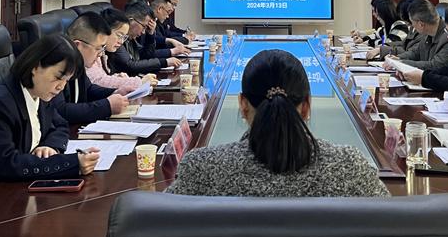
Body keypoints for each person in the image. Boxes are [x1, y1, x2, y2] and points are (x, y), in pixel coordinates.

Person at [166, 49, 390, 197]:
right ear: (307, 106)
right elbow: (392, 228)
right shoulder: (350, 168)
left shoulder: (201, 168)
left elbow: (158, 230)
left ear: (242, 105)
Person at [0, 34, 100, 201]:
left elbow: (60, 125)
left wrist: (50, 146)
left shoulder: (39, 93)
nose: (61, 87)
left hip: (15, 190)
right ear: (35, 67)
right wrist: (72, 163)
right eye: (57, 78)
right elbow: (7, 164)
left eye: (66, 81)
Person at [50, 12, 129, 124]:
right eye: (98, 48)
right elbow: (60, 110)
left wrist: (116, 92)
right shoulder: (55, 64)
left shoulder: (78, 62)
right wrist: (106, 106)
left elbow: (88, 89)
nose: (100, 54)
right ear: (77, 45)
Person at [90, 8, 156, 92]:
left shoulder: (103, 52)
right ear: (104, 31)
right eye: (119, 35)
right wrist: (139, 82)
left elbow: (103, 77)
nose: (121, 42)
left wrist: (117, 77)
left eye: (124, 37)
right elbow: (98, 81)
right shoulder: (90, 51)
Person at [108, 3, 182, 76]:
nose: (143, 32)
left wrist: (150, 34)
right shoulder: (117, 40)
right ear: (131, 21)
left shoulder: (130, 38)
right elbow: (130, 65)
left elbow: (146, 56)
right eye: (144, 27)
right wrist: (164, 62)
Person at [388, 0, 448, 71]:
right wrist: (398, 58)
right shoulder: (427, 33)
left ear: (421, 24)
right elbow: (415, 52)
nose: (412, 26)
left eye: (412, 22)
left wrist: (400, 63)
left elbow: (435, 65)